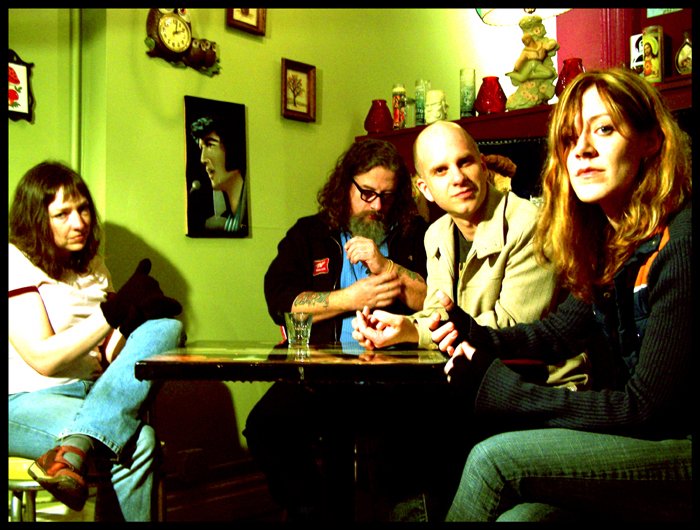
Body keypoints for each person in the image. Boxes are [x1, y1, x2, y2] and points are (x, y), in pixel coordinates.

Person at [428, 68, 691, 521]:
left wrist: (507, 392)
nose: (582, 149)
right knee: (522, 518)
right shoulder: (614, 242)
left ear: (651, 140)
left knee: (494, 460)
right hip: (648, 441)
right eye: (570, 139)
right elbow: (555, 332)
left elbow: (646, 409)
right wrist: (473, 333)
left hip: (679, 447)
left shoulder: (681, 244)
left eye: (604, 129)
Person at [244, 138, 429, 521]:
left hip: (394, 382)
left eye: (387, 196)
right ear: (345, 185)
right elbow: (280, 303)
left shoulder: (414, 234)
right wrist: (349, 298)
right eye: (367, 193)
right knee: (265, 427)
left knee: (418, 435)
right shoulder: (309, 234)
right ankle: (313, 510)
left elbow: (436, 298)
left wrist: (386, 267)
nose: (376, 206)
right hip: (319, 379)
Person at [8, 161, 184, 521]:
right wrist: (111, 314)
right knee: (140, 442)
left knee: (167, 328)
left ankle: (73, 447)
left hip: (93, 393)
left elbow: (108, 356)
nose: (79, 223)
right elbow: (43, 359)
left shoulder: (93, 267)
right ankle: (80, 444)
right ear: (35, 220)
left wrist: (133, 321)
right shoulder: (14, 261)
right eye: (62, 214)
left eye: (83, 209)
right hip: (25, 400)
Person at [190, 114, 248, 235]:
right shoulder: (226, 219)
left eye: (210, 145)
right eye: (201, 148)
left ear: (232, 147)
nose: (202, 159)